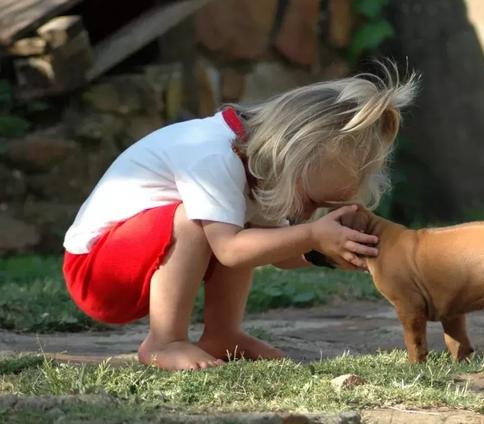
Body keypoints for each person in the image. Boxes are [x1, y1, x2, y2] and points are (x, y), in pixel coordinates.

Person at [62, 61, 418, 370]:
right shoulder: (211, 154)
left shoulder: (260, 164)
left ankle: (222, 336)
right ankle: (164, 342)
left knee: (248, 232)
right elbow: (230, 250)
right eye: (310, 200)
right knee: (196, 222)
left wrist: (333, 252)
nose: (308, 214)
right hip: (97, 274)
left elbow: (277, 254)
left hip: (139, 266)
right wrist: (312, 234)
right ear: (292, 155)